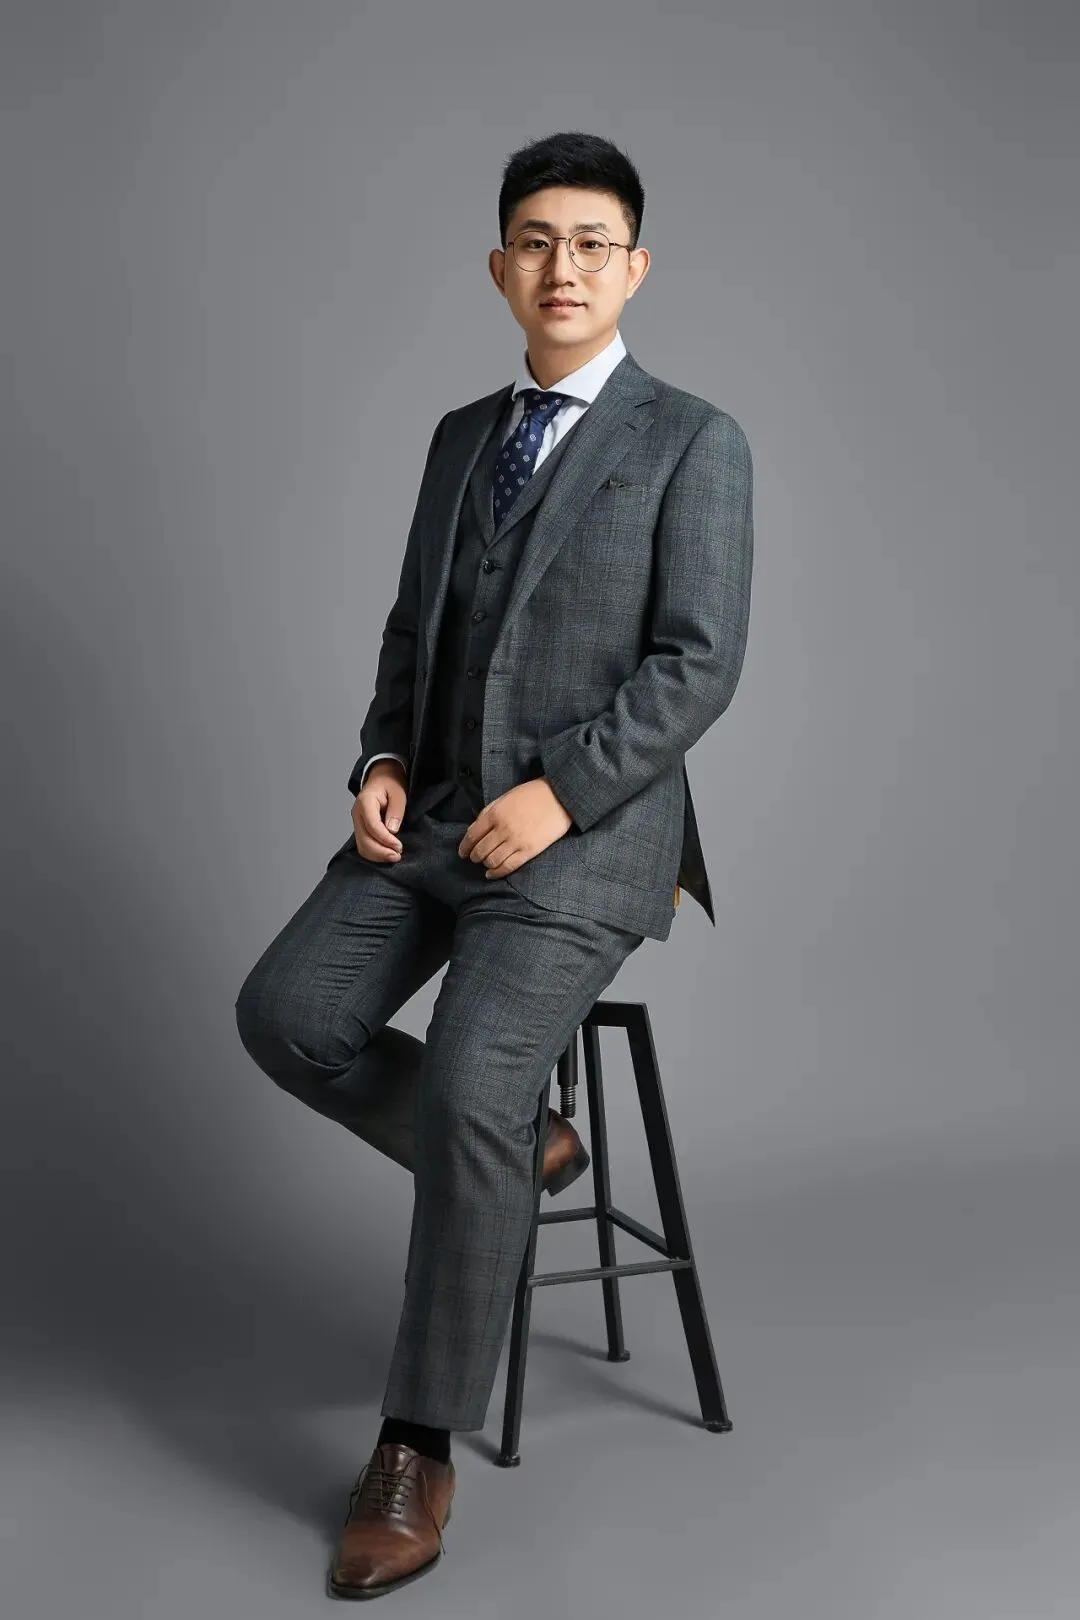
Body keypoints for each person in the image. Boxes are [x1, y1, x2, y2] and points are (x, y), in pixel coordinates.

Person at [234, 128, 753, 1601]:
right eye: (536, 241)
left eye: (591, 243)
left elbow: (698, 664)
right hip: (437, 821)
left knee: (470, 1085)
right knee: (285, 1014)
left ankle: (415, 1446)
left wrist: (559, 796)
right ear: (498, 268)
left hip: (586, 844)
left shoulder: (694, 439)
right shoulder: (463, 435)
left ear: (635, 267)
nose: (562, 266)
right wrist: (383, 760)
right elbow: (414, 626)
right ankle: (519, 1153)